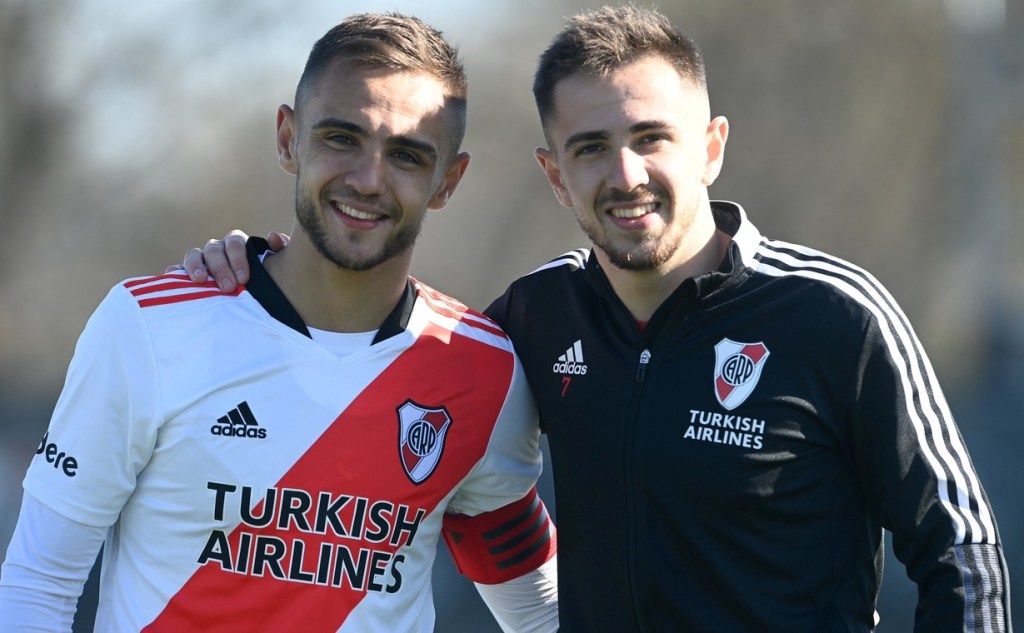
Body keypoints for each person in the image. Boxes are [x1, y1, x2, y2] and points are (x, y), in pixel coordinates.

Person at [181, 5, 1012, 632]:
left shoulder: (835, 314)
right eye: (589, 147)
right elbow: (386, 360)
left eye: (652, 138)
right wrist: (263, 269)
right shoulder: (533, 319)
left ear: (711, 147)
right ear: (554, 174)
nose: (625, 174)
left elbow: (962, 554)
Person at [0, 13, 559, 633]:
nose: (368, 180)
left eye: (405, 155)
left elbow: (541, 611)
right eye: (341, 138)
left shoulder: (483, 370)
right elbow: (38, 584)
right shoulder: (151, 327)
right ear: (289, 139)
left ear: (447, 182)